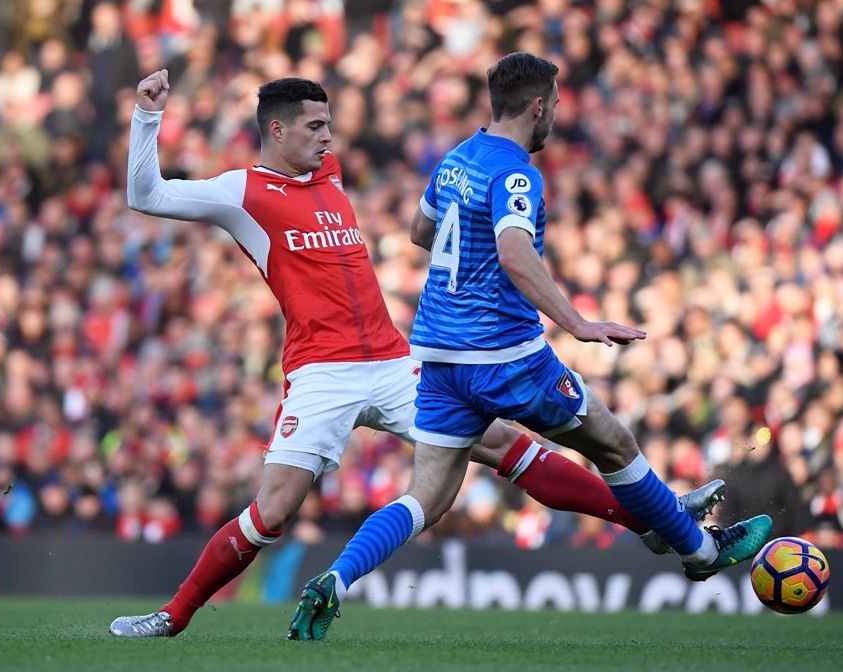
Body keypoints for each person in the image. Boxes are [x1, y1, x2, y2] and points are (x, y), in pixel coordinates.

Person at [109, 68, 725, 638]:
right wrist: (147, 116)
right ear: (276, 129)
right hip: (322, 371)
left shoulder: (329, 175)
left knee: (509, 445)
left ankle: (655, 519)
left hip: (394, 358)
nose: (329, 137)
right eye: (314, 126)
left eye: (329, 124)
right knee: (272, 513)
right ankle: (173, 615)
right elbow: (148, 195)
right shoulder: (241, 192)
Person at [288, 52, 773, 641]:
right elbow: (516, 251)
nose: (557, 117)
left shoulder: (456, 158)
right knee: (614, 444)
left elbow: (422, 232)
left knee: (425, 499)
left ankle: (336, 580)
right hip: (504, 358)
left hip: (437, 358)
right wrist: (577, 322)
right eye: (558, 105)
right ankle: (700, 550)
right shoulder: (516, 173)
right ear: (538, 105)